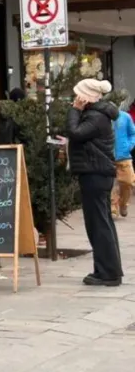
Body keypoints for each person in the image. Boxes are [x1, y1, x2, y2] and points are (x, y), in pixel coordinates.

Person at [66, 79, 123, 286]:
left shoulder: (95, 117)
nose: (74, 99)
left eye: (77, 95)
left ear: (85, 97)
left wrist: (74, 111)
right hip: (97, 173)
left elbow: (76, 133)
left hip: (95, 174)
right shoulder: (97, 115)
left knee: (98, 224)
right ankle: (109, 270)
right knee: (102, 222)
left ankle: (108, 273)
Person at [112, 102, 135, 218]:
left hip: (124, 155)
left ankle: (123, 204)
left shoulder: (125, 117)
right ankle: (113, 208)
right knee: (111, 184)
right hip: (107, 157)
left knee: (128, 182)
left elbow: (133, 133)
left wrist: (130, 145)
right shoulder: (102, 119)